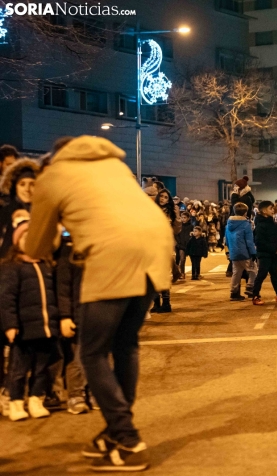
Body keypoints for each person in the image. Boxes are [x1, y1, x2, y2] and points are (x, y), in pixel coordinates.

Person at [24, 136, 174, 471]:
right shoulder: (114, 165)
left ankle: (129, 438)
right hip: (155, 248)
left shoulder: (52, 176)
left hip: (114, 255)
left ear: (54, 157)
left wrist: (55, 231)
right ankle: (114, 433)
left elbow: (35, 245)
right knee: (126, 345)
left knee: (90, 352)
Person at [0, 222, 60, 421]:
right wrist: (10, 325)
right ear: (17, 242)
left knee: (42, 368)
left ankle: (35, 399)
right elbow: (6, 298)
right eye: (25, 238)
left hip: (45, 328)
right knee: (18, 369)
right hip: (23, 330)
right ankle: (16, 401)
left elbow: (53, 298)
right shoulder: (13, 267)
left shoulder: (45, 265)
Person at [55, 229, 93, 415]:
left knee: (100, 357)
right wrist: (65, 316)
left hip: (98, 314)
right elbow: (63, 288)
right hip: (77, 313)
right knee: (76, 358)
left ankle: (93, 391)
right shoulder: (69, 253)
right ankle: (75, 394)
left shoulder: (100, 250)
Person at [252, 201, 277, 305]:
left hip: (272, 252)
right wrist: (272, 247)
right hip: (265, 253)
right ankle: (255, 295)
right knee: (262, 274)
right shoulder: (261, 224)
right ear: (264, 211)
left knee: (274, 274)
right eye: (270, 208)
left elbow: (272, 237)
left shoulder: (270, 221)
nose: (273, 210)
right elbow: (259, 241)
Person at [225, 203, 256, 301]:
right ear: (245, 212)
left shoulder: (228, 224)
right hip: (244, 252)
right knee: (253, 270)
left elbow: (227, 240)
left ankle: (234, 293)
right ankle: (250, 287)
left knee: (236, 273)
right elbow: (249, 241)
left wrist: (229, 251)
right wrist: (253, 252)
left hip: (234, 252)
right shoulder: (246, 224)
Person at [176, 211, 192, 280]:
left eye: (185, 217)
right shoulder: (179, 226)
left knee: (183, 259)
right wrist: (178, 243)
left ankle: (183, 273)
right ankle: (180, 273)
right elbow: (176, 235)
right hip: (179, 245)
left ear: (188, 218)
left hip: (187, 245)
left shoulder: (191, 226)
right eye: (182, 217)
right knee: (179, 259)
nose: (183, 219)